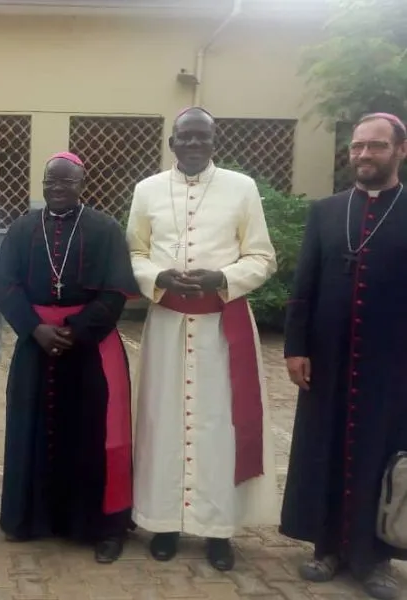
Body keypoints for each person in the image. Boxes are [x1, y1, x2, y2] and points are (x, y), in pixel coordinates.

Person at [126, 107, 278, 571]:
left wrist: (222, 277)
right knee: (162, 423)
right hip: (168, 324)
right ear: (172, 143)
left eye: (202, 138)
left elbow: (262, 256)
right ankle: (164, 523)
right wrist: (158, 275)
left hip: (221, 324)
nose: (193, 145)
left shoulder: (241, 188)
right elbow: (134, 251)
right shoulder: (147, 190)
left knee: (219, 426)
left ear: (215, 142)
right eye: (185, 138)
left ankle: (217, 530)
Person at [281, 113, 407, 600]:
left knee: (383, 456)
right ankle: (326, 547)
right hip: (328, 359)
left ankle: (375, 560)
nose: (364, 156)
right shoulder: (327, 211)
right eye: (357, 147)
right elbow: (303, 286)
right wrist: (295, 348)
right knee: (324, 449)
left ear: (399, 150)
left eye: (375, 147)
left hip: (392, 363)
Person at [0, 152, 139, 563]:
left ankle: (101, 526)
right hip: (36, 342)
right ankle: (32, 519)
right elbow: (4, 285)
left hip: (90, 345)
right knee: (30, 430)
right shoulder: (22, 228)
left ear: (81, 183)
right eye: (50, 182)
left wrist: (76, 328)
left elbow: (115, 291)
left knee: (95, 436)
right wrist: (34, 328)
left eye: (66, 182)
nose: (57, 188)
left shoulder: (105, 228)